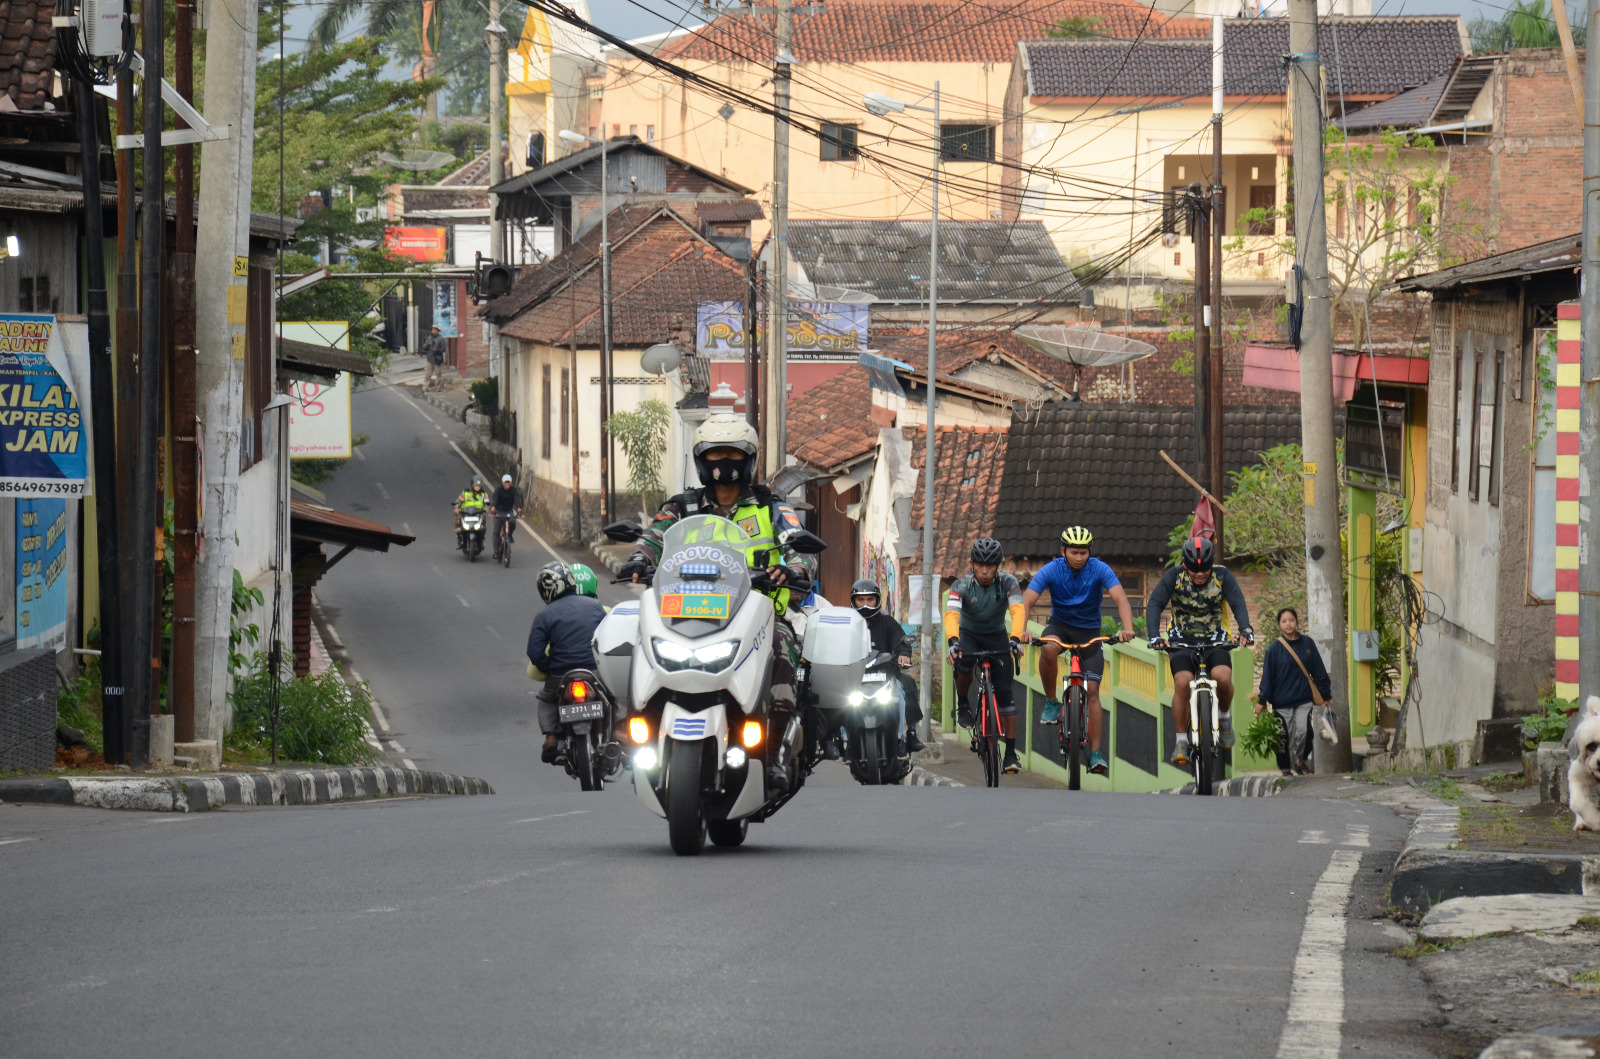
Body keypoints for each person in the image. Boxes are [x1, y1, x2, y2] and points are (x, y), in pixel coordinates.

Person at [620, 413, 817, 788]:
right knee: (638, 642)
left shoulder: (772, 506)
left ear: (749, 459)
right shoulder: (682, 507)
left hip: (758, 613)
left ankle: (774, 749)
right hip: (686, 612)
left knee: (782, 648)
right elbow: (653, 536)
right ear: (700, 460)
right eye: (714, 454)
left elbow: (797, 543)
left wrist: (796, 568)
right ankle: (636, 737)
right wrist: (639, 559)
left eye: (732, 453)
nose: (722, 462)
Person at [1019, 525, 1135, 777]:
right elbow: (1026, 600)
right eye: (1074, 552)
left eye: (1084, 552)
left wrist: (1127, 628)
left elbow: (1121, 598)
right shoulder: (1051, 569)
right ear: (1063, 551)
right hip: (1060, 626)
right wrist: (1021, 631)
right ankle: (1051, 701)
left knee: (1092, 691)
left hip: (1090, 631)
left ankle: (1095, 754)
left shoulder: (1100, 569)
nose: (1080, 557)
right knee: (1048, 648)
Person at [1146, 536, 1255, 768]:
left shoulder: (1222, 576)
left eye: (1204, 569)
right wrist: (1154, 635)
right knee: (1183, 682)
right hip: (1181, 641)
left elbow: (1237, 603)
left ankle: (1224, 719)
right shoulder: (1174, 577)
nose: (1200, 574)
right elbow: (1155, 603)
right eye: (1194, 570)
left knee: (1223, 678)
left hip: (1215, 639)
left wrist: (1245, 628)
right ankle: (1181, 741)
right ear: (1185, 564)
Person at [945, 537, 1028, 774]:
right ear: (971, 564)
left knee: (1006, 696)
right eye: (980, 566)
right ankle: (963, 703)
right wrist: (953, 642)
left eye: (990, 567)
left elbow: (1017, 609)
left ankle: (1010, 754)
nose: (984, 572)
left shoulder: (1008, 583)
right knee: (963, 663)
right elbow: (952, 614)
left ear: (998, 565)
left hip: (996, 635)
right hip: (969, 634)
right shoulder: (960, 585)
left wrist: (1015, 639)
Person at [527, 561, 608, 764]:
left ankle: (551, 737)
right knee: (617, 695)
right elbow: (610, 637)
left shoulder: (544, 615)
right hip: (596, 671)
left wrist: (550, 667)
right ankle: (622, 731)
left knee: (547, 699)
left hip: (561, 675)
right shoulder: (596, 606)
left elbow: (534, 653)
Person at [849, 578, 923, 753]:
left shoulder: (888, 623)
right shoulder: (848, 624)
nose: (865, 604)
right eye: (860, 600)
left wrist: (903, 655)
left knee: (907, 686)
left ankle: (906, 735)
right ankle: (843, 740)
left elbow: (901, 641)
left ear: (877, 600)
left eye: (870, 599)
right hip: (855, 678)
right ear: (853, 601)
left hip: (886, 676)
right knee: (839, 695)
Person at [1255, 607, 1330, 776]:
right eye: (1284, 621)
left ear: (1297, 622)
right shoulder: (1274, 648)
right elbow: (1268, 676)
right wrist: (1262, 700)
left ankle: (1299, 760)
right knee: (1284, 738)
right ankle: (1285, 768)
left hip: (1303, 699)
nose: (1288, 624)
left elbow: (1318, 670)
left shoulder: (1307, 644)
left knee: (1304, 731)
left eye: (1291, 620)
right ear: (1279, 625)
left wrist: (1326, 694)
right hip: (1281, 703)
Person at [490, 473, 522, 561]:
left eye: (509, 482)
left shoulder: (514, 491)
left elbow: (517, 500)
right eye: (505, 482)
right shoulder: (498, 490)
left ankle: (509, 535)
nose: (507, 484)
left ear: (511, 483)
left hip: (508, 511)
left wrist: (519, 511)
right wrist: (493, 510)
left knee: (513, 523)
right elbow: (495, 500)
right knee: (496, 531)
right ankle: (496, 551)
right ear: (502, 483)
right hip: (499, 512)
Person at [453, 476, 488, 552]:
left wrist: (486, 508)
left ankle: (481, 540)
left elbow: (487, 503)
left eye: (479, 486)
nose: (477, 487)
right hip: (466, 514)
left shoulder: (484, 494)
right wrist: (457, 508)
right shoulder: (465, 492)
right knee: (458, 521)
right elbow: (458, 501)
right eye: (476, 485)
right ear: (472, 485)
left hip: (478, 515)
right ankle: (460, 539)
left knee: (483, 526)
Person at [421, 325, 448, 390]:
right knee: (428, 375)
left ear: (438, 331)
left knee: (438, 375)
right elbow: (426, 347)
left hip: (438, 360)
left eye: (435, 330)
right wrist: (425, 347)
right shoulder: (429, 338)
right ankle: (425, 387)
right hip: (430, 359)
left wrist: (437, 350)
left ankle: (438, 387)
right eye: (432, 329)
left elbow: (444, 349)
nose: (433, 331)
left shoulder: (441, 339)